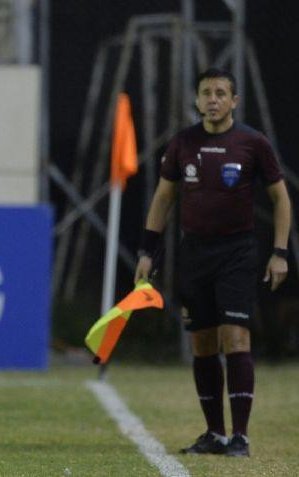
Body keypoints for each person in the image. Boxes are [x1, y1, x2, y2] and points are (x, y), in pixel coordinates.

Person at [134, 68, 291, 458]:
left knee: (235, 337)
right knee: (202, 344)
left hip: (237, 253)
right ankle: (215, 434)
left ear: (234, 101)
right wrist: (146, 252)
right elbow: (164, 198)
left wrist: (280, 252)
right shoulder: (183, 143)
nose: (213, 99)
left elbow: (281, 200)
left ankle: (240, 436)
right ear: (197, 99)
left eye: (221, 93)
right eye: (206, 92)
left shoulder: (253, 144)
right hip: (194, 255)